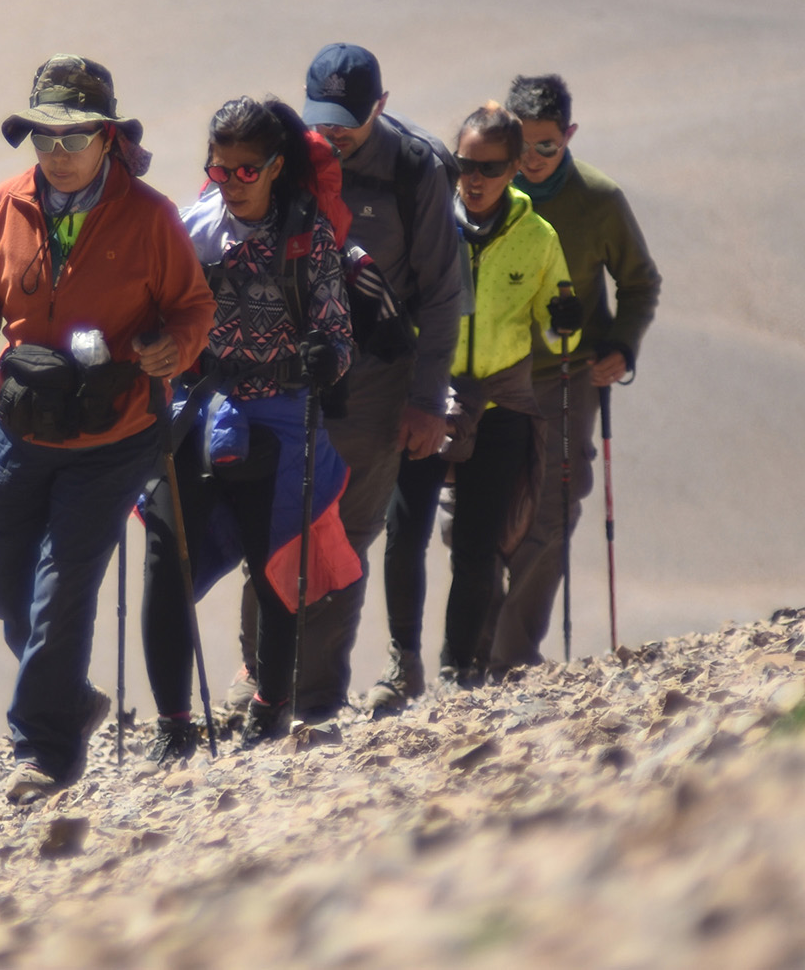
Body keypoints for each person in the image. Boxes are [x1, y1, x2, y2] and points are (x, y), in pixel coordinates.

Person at [0, 55, 213, 803]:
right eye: (42, 134)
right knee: (8, 579)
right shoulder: (6, 204)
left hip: (114, 434)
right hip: (16, 433)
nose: (56, 150)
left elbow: (192, 309)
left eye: (73, 134)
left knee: (63, 589)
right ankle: (72, 700)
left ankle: (43, 751)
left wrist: (169, 351)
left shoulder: (150, 218)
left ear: (107, 136)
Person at [242, 44, 462, 718]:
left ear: (381, 106)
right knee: (271, 532)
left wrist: (428, 402)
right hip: (288, 378)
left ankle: (316, 700)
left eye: (347, 118)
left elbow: (443, 294)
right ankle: (262, 683)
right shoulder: (288, 155)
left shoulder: (415, 169)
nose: (331, 131)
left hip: (374, 383)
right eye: (321, 116)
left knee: (346, 535)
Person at [139, 98, 360, 759]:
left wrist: (328, 355)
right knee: (163, 556)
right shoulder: (189, 229)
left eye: (245, 170)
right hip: (198, 406)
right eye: (220, 168)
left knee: (276, 568)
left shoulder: (308, 235)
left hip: (284, 414)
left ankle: (270, 708)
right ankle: (174, 725)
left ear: (276, 167)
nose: (230, 181)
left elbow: (338, 330)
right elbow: (157, 305)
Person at [380, 102, 570, 689]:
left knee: (477, 545)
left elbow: (563, 328)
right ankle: (403, 664)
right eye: (464, 163)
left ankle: (458, 668)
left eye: (489, 166)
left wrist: (569, 320)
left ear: (515, 168)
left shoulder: (538, 237)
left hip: (500, 402)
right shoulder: (431, 220)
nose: (475, 178)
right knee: (405, 532)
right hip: (426, 395)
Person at [484, 74, 662, 669]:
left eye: (547, 147)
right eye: (522, 145)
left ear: (570, 137)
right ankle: (474, 657)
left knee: (556, 506)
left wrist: (622, 346)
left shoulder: (598, 200)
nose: (531, 161)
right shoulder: (479, 189)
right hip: (487, 377)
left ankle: (509, 658)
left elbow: (639, 283)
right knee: (478, 513)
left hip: (566, 376)